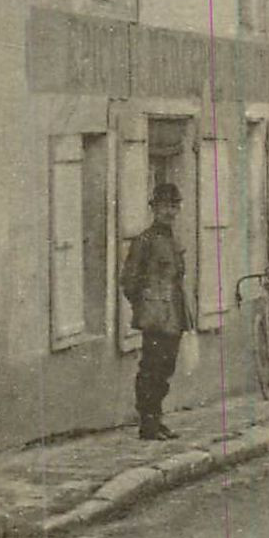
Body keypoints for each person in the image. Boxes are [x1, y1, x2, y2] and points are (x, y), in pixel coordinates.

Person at [120, 182, 193, 440]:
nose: (169, 212)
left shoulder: (173, 240)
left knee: (166, 368)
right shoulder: (144, 241)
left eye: (174, 206)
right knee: (151, 368)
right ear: (154, 208)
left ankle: (157, 418)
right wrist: (144, 304)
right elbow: (129, 280)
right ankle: (147, 423)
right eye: (164, 206)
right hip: (154, 315)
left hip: (173, 314)